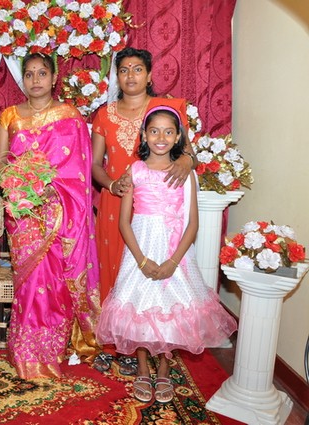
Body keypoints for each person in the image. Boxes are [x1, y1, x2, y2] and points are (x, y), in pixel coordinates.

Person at [95, 106, 237, 403]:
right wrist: (142, 260)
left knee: (171, 307)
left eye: (168, 132)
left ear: (177, 137)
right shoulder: (135, 171)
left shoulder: (185, 174)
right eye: (154, 131)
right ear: (144, 135)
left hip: (175, 251)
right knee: (141, 307)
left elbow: (193, 223)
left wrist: (173, 261)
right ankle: (143, 369)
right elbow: (124, 222)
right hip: (141, 248)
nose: (161, 137)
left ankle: (163, 370)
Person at [0, 53, 101, 379]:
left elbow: (81, 170)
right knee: (29, 283)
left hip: (61, 211)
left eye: (42, 73)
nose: (35, 79)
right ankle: (26, 352)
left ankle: (53, 350)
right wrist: (18, 185)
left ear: (54, 78)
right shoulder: (9, 116)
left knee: (55, 282)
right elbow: (0, 161)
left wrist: (52, 191)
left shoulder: (70, 116)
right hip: (23, 213)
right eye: (29, 74)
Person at [91, 47, 197, 374]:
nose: (131, 75)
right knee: (116, 270)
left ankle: (156, 342)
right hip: (117, 201)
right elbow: (94, 165)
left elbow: (186, 150)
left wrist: (187, 161)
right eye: (124, 69)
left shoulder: (167, 109)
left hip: (159, 205)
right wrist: (112, 185)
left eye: (138, 69)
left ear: (149, 75)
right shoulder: (104, 114)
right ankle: (116, 343)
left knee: (157, 278)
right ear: (117, 76)